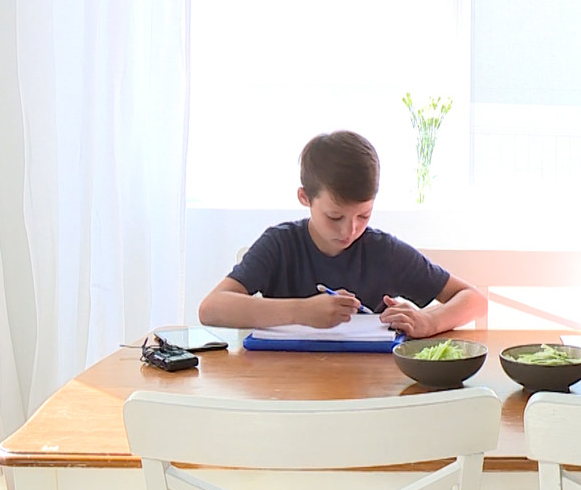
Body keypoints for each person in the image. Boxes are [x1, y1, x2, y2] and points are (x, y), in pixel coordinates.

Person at [198, 130, 486, 337]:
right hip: (285, 388)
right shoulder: (279, 245)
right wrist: (301, 311)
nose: (350, 230)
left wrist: (428, 321)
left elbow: (472, 299)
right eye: (335, 216)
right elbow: (211, 309)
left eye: (364, 215)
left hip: (367, 389)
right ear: (304, 198)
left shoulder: (383, 252)